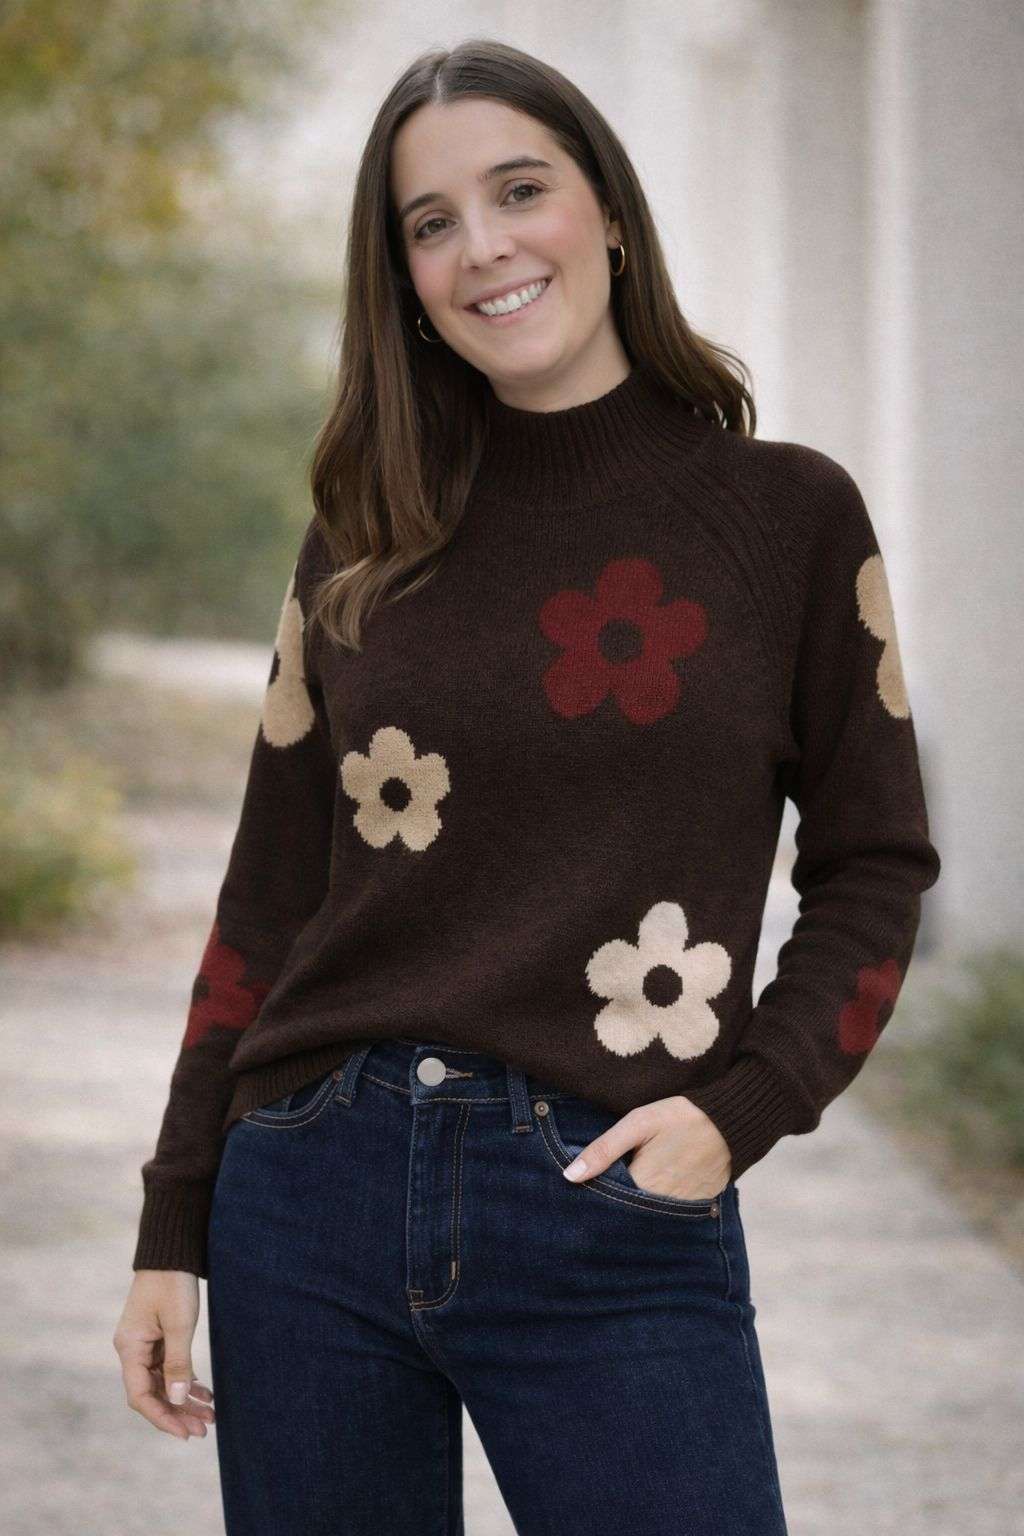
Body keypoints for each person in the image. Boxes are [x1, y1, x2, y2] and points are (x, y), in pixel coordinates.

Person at [113, 38, 941, 1536]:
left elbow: (876, 864)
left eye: (519, 191)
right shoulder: (364, 535)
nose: (483, 246)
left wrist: (745, 1108)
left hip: (610, 1195)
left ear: (608, 212)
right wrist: (175, 1217)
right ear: (405, 280)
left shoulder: (788, 519)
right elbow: (269, 895)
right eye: (432, 223)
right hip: (311, 1188)